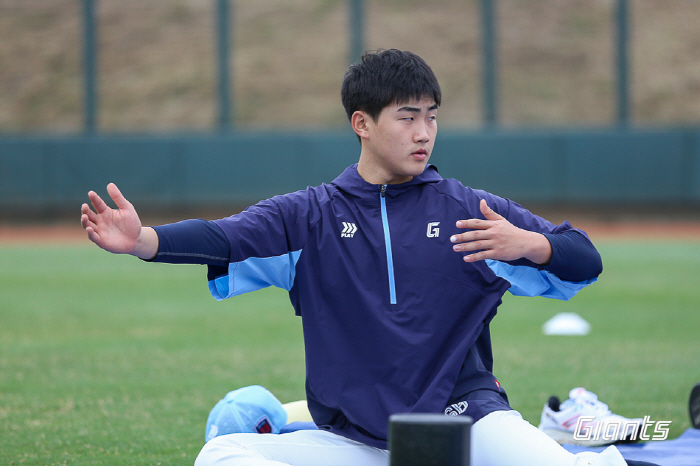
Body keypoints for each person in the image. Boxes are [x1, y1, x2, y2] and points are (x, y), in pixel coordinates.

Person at [81, 49, 630, 466]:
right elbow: (227, 238)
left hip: (464, 423)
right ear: (361, 124)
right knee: (220, 458)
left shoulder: (470, 210)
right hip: (355, 440)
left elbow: (585, 258)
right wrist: (142, 241)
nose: (424, 133)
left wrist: (535, 245)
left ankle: (574, 438)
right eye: (407, 117)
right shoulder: (310, 216)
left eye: (432, 117)